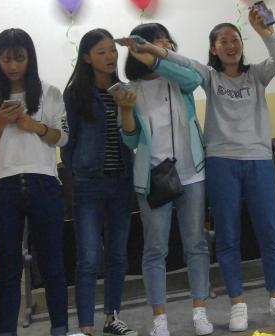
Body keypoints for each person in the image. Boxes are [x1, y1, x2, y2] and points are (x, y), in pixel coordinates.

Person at [156, 7, 275, 332]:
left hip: (259, 160)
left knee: (270, 231)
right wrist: (157, 49)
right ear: (214, 48)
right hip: (221, 162)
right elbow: (185, 63)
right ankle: (237, 303)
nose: (231, 46)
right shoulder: (210, 76)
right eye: (224, 41)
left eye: (235, 40)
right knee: (228, 235)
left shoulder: (256, 75)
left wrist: (264, 32)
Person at [116, 23, 213, 336]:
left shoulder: (178, 80)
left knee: (196, 243)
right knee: (155, 248)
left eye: (167, 42)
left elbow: (195, 79)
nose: (165, 46)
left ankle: (200, 311)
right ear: (138, 49)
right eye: (157, 42)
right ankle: (159, 318)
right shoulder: (132, 88)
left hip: (192, 173)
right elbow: (130, 140)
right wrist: (126, 110)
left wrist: (155, 56)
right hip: (153, 178)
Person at [0, 29, 69, 336]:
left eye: (19, 58)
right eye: (6, 59)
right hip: (4, 187)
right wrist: (2, 120)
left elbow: (62, 138)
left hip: (44, 184)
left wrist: (33, 125)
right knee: (8, 271)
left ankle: (60, 329)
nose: (13, 66)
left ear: (30, 58)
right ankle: (6, 331)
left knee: (52, 266)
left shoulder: (49, 91)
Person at [61, 29, 138, 336]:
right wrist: (80, 172)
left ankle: (112, 317)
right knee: (89, 257)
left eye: (113, 50)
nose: (110, 56)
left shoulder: (125, 91)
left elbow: (132, 134)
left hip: (121, 181)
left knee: (118, 254)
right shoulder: (75, 94)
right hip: (89, 184)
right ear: (86, 57)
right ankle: (86, 326)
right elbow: (67, 144)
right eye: (102, 51)